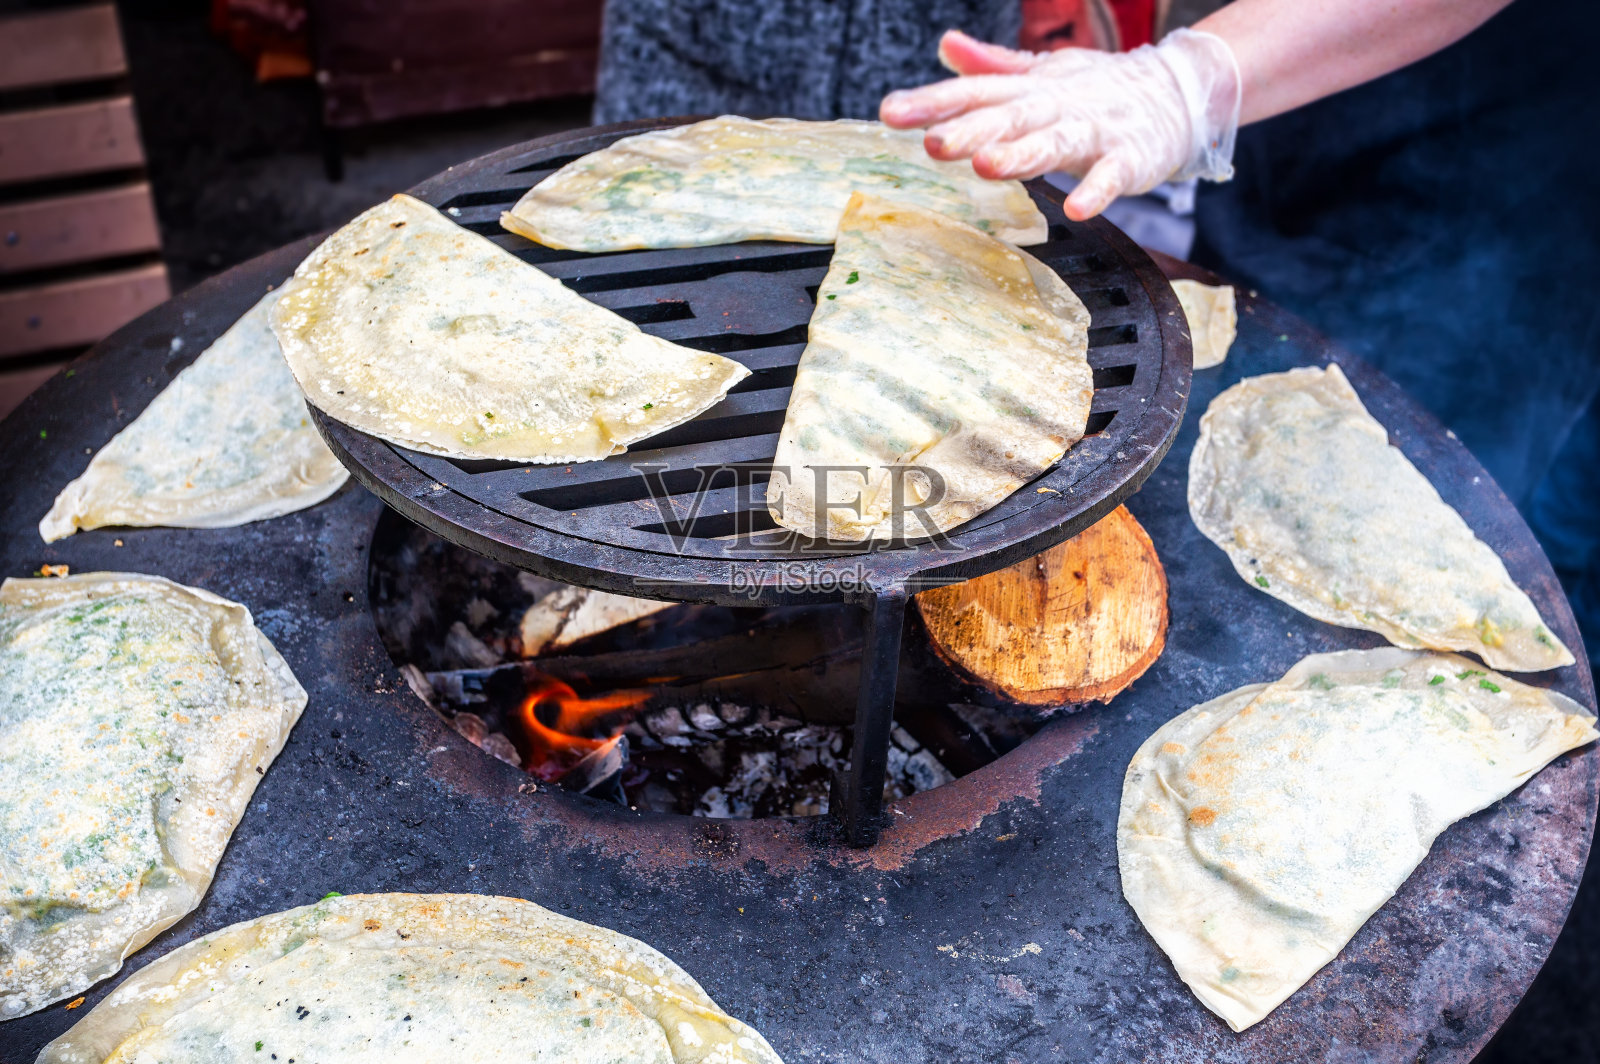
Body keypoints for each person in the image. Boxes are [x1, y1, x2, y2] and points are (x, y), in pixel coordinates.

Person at [880, 0, 1600, 675]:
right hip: (1285, 93)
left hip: (1516, 172)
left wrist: (1185, 83)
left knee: (1491, 531)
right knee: (1257, 393)